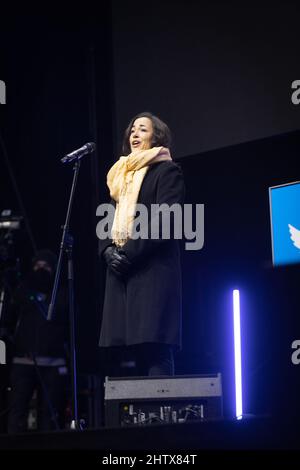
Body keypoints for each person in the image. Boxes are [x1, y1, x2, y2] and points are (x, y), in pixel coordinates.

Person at [98, 112, 185, 377]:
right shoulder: (122, 175)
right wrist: (107, 251)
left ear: (156, 136)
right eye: (132, 129)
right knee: (130, 351)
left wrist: (126, 252)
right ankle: (138, 418)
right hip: (124, 271)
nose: (134, 134)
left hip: (151, 271)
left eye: (143, 130)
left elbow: (166, 219)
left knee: (155, 348)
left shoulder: (167, 171)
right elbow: (108, 219)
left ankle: (162, 418)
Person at [3, 250, 69, 433]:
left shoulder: (62, 295)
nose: (41, 270)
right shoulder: (22, 292)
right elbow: (8, 321)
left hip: (53, 364)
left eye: (45, 266)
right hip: (23, 362)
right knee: (17, 411)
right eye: (37, 266)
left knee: (50, 414)